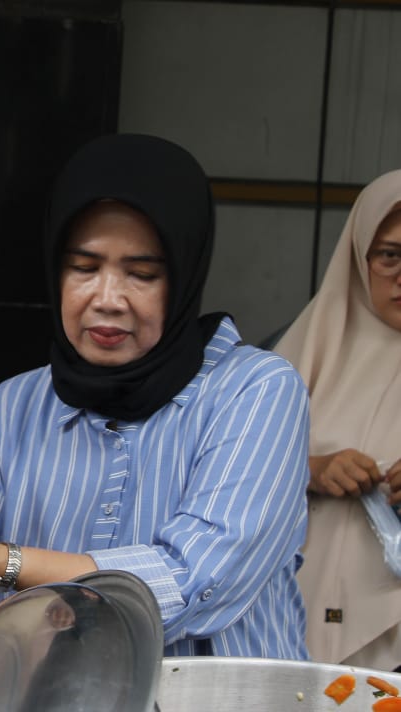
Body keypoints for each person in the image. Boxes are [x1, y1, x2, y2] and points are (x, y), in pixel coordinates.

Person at [0, 133, 311, 660]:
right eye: (84, 268)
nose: (107, 299)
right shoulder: (17, 404)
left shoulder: (256, 392)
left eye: (141, 274)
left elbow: (189, 581)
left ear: (184, 277)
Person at [274, 169, 401, 671]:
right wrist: (313, 469)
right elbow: (219, 475)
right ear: (358, 257)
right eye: (389, 255)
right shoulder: (298, 355)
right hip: (288, 622)